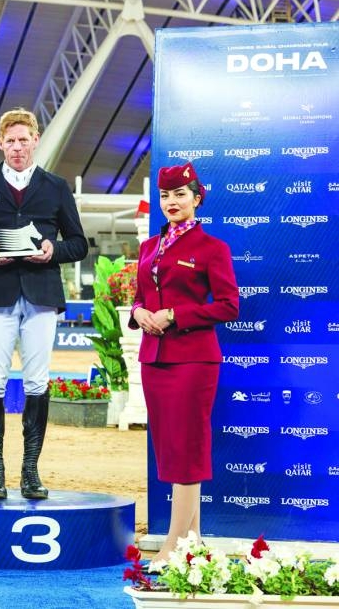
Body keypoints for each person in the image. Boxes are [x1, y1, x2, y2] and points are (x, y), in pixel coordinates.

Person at [0, 108, 87, 501]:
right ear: (0, 143)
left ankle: (30, 471)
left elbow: (79, 243)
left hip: (42, 295)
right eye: (11, 141)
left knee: (37, 381)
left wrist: (53, 250)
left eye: (24, 140)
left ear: (35, 140)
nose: (18, 147)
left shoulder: (56, 187)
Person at [129, 163, 238, 565]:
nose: (171, 202)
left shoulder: (212, 248)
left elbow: (228, 306)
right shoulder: (148, 248)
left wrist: (176, 315)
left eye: (179, 194)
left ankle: (174, 544)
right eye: (165, 195)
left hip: (193, 360)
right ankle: (194, 542)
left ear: (197, 198)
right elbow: (141, 297)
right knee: (172, 449)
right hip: (154, 358)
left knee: (187, 449)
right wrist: (138, 312)